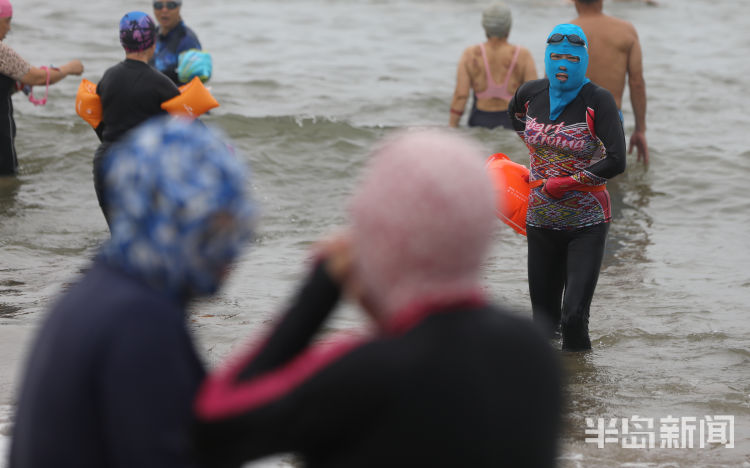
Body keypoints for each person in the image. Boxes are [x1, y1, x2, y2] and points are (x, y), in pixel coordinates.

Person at [193, 129, 562, 468]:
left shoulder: (364, 371)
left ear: (376, 234)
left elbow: (210, 426)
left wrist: (319, 290)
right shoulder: (533, 353)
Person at [8, 117, 255, 468]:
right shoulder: (141, 321)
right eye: (218, 229)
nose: (232, 251)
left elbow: (202, 419)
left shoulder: (102, 287)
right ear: (179, 224)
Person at [508, 24, 626, 351]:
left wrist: (567, 181)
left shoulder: (597, 101)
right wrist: (540, 158)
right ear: (547, 57)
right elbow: (514, 117)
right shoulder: (530, 93)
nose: (563, 64)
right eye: (556, 56)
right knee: (543, 325)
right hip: (541, 220)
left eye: (572, 58)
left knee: (574, 317)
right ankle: (557, 391)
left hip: (586, 223)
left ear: (584, 60)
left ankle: (585, 388)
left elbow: (617, 160)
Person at [93, 11, 180, 225]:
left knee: (120, 240)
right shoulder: (161, 83)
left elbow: (101, 128)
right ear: (153, 42)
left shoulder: (108, 77)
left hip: (105, 165)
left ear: (123, 43)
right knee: (148, 243)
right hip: (139, 168)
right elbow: (192, 128)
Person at [0, 0, 83, 176]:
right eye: (7, 21)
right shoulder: (2, 52)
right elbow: (38, 77)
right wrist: (68, 68)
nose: (9, 28)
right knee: (6, 182)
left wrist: (14, 84)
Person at [571, 0, 649, 163]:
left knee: (571, 181)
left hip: (571, 123)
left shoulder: (564, 34)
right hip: (609, 119)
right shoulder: (625, 31)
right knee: (610, 180)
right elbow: (637, 83)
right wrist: (640, 130)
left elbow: (549, 86)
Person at [450, 3, 537, 129]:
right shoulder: (523, 55)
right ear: (509, 26)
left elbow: (460, 96)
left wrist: (452, 128)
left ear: (485, 26)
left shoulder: (470, 54)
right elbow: (533, 98)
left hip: (479, 120)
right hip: (511, 123)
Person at [150, 0, 202, 85]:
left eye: (170, 5)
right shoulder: (151, 36)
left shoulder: (188, 41)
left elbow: (194, 85)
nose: (164, 10)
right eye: (158, 5)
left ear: (179, 7)